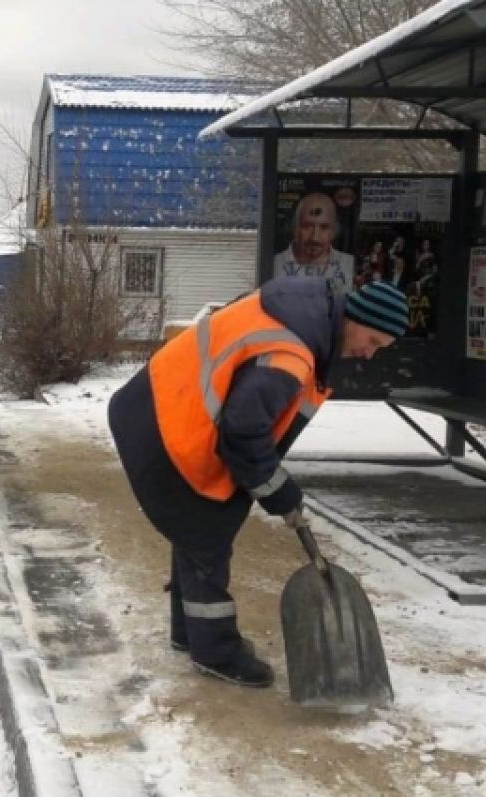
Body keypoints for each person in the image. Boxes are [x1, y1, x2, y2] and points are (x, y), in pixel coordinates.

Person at [107, 278, 408, 687]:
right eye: (372, 340)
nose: (368, 354)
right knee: (207, 530)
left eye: (380, 348)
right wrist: (278, 491)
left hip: (160, 403)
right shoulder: (291, 354)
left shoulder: (306, 317)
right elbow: (244, 434)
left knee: (200, 527)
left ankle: (189, 633)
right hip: (168, 424)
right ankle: (216, 652)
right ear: (354, 318)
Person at [274, 193, 355, 295]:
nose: (315, 237)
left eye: (324, 227)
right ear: (295, 229)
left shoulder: (349, 264)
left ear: (334, 231)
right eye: (307, 226)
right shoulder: (275, 264)